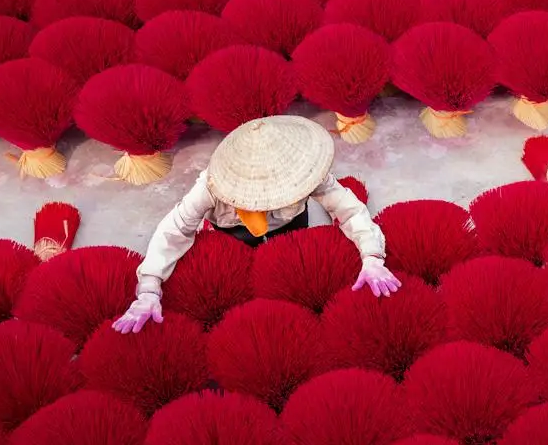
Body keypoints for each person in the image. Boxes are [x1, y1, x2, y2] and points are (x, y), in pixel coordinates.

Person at [113, 115, 399, 333]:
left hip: (292, 229)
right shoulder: (210, 186)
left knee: (290, 273)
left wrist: (372, 256)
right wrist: (149, 287)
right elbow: (174, 229)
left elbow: (350, 211)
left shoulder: (308, 173)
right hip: (234, 234)